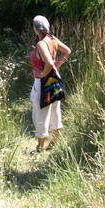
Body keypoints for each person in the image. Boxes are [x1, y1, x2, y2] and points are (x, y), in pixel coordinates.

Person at [29, 15, 71, 153]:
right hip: (55, 79)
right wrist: (57, 66)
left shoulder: (41, 43)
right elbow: (67, 51)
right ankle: (53, 143)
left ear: (36, 29)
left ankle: (39, 148)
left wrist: (44, 73)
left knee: (41, 114)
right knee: (55, 111)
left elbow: (49, 62)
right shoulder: (53, 39)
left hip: (44, 81)